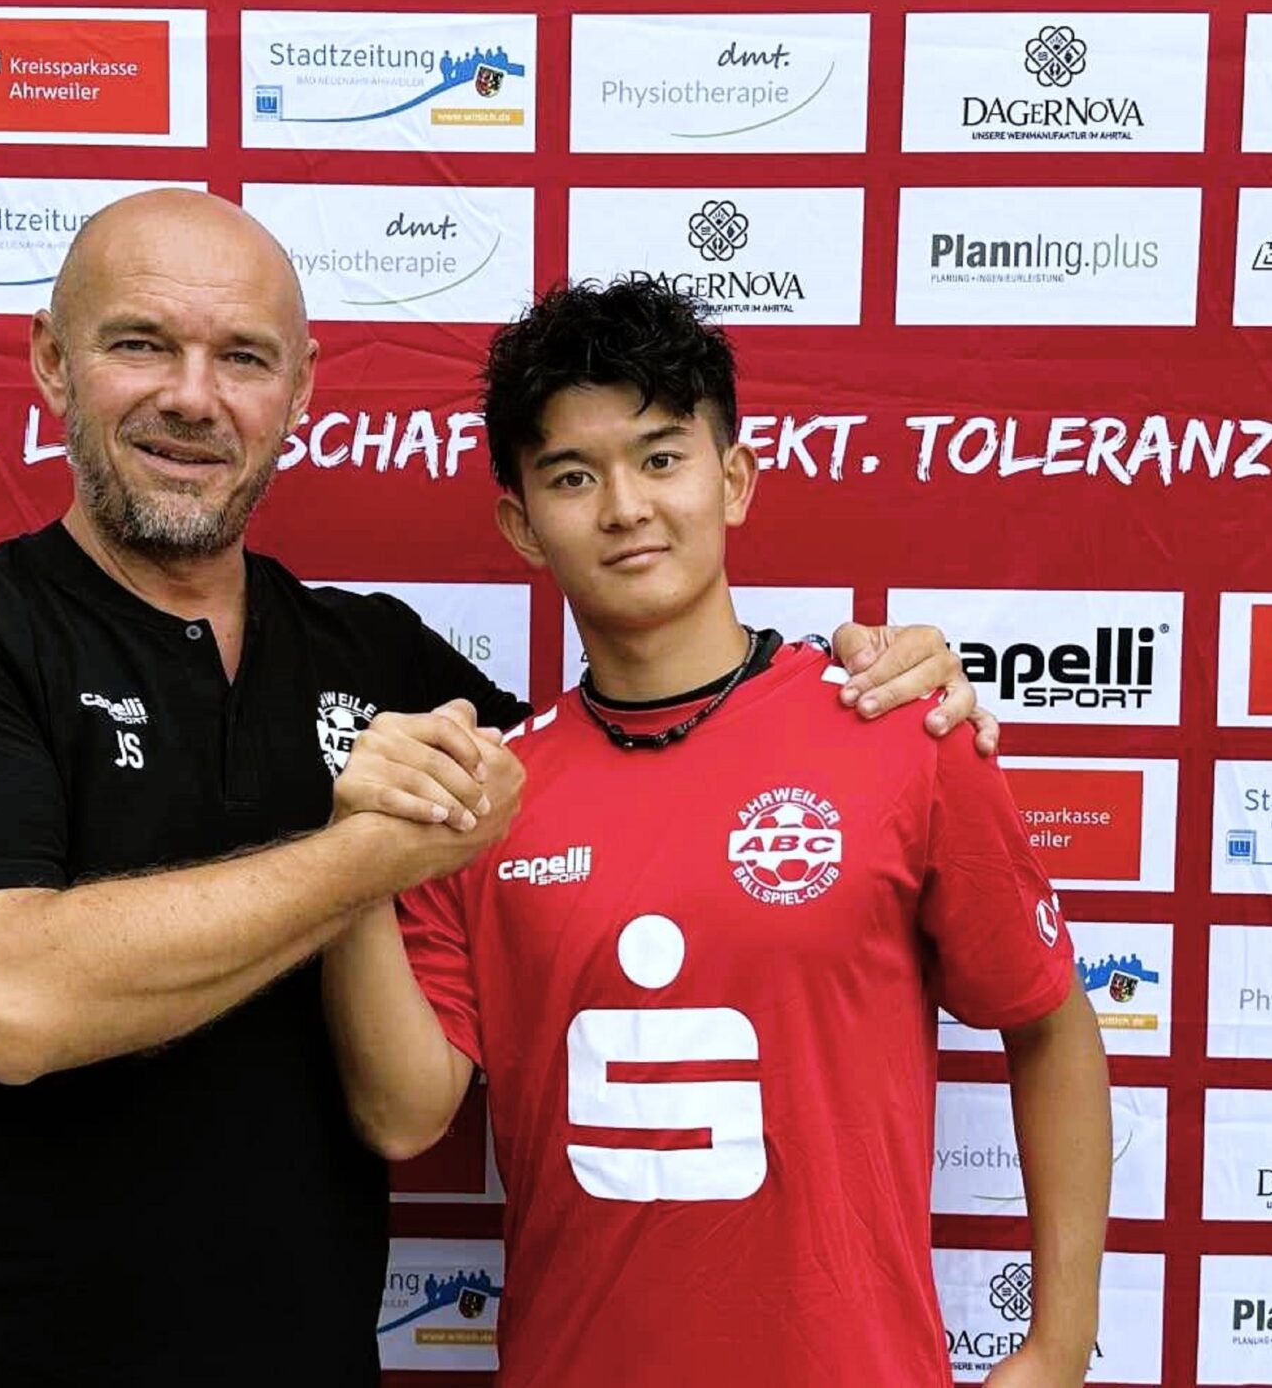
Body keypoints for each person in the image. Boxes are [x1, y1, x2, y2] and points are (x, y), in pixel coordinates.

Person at [0, 190, 1000, 1386]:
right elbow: (9, 1001)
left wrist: (865, 689)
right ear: (54, 363)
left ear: (299, 389)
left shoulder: (381, 665)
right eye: (141, 344)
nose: (193, 397)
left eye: (243, 357)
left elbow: (631, 756)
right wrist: (359, 856)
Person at [319, 277, 1113, 1387]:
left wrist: (1060, 1342)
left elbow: (1050, 1023)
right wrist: (352, 860)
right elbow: (404, 1116)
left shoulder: (900, 730)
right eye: (572, 475)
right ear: (522, 524)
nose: (624, 507)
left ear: (732, 479)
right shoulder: (488, 795)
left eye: (660, 457)